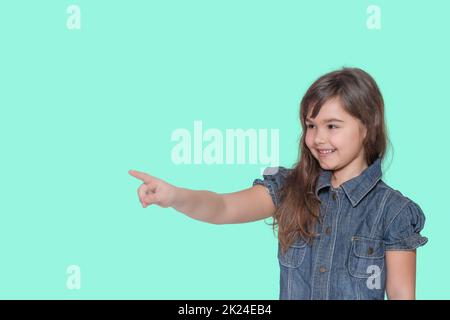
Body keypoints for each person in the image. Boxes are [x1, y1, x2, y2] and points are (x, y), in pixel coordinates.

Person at [129, 67, 428, 300]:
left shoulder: (394, 212)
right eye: (311, 126)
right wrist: (174, 196)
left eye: (332, 126)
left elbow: (402, 295)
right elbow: (222, 208)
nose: (318, 138)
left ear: (367, 127)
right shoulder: (288, 189)